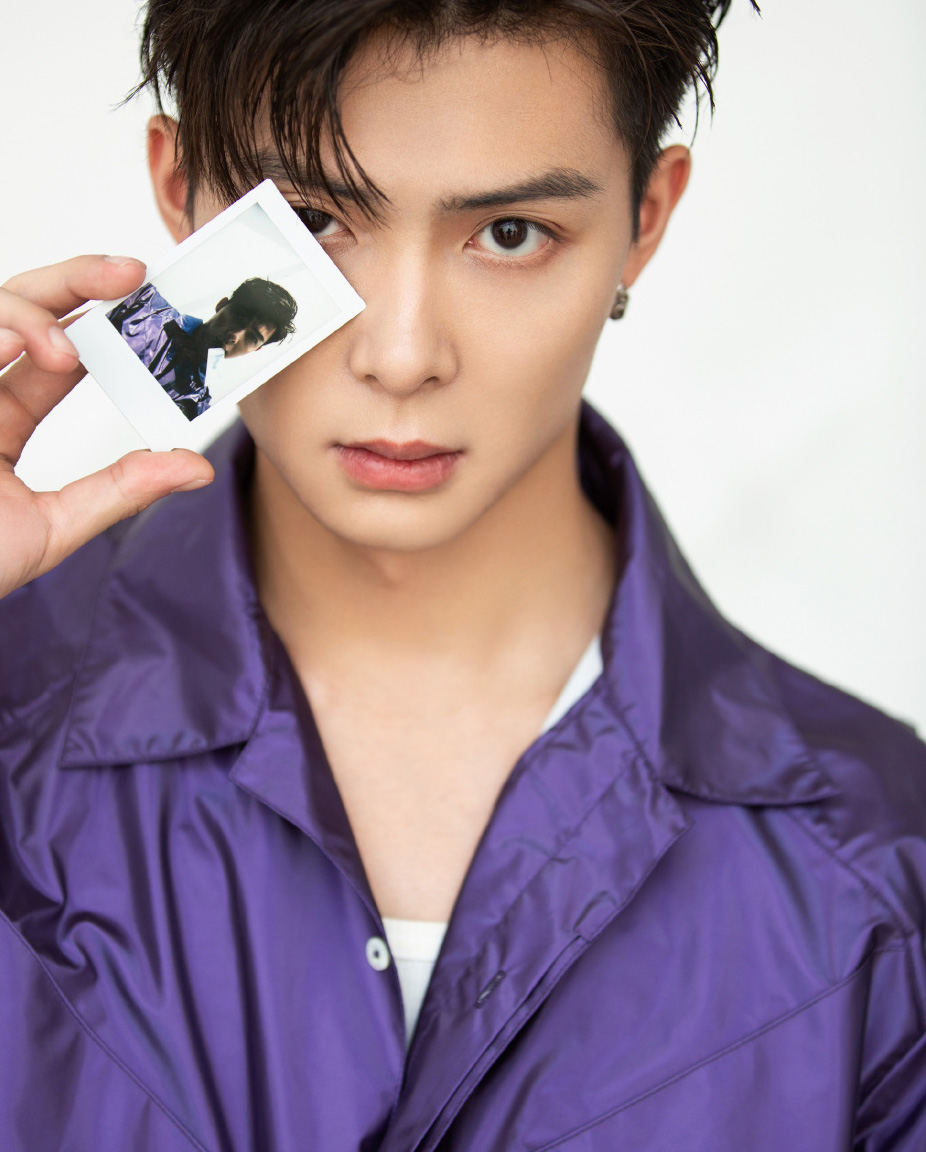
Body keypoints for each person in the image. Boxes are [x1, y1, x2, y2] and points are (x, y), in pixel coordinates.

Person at [0, 2, 924, 1149]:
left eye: (510, 234)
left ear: (644, 220)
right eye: (312, 221)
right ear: (182, 190)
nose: (401, 355)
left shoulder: (882, 862)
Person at [107, 277, 299, 419]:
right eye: (239, 317)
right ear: (221, 305)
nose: (236, 335)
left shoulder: (194, 407)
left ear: (256, 349)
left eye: (252, 338)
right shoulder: (141, 303)